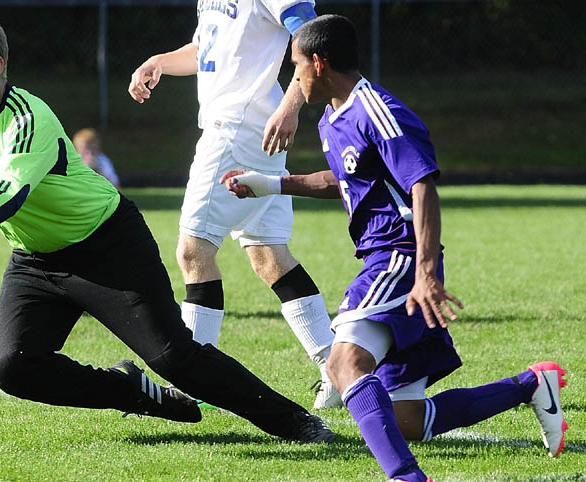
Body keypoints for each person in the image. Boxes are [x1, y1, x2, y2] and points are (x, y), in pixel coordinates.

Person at [0, 12, 334, 443]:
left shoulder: (29, 118)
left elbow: (5, 195)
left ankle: (298, 423)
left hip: (106, 244)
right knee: (12, 367)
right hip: (37, 260)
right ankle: (132, 393)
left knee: (177, 358)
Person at [221, 14, 568, 480]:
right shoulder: (331, 118)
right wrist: (268, 184)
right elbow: (344, 180)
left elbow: (421, 183)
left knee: (344, 364)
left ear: (319, 64)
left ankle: (407, 478)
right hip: (386, 256)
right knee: (406, 419)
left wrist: (424, 273)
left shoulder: (376, 110)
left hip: (399, 255)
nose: (293, 76)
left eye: (296, 64)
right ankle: (530, 385)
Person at [128, 0, 341, 409]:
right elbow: (206, 49)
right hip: (244, 128)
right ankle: (336, 368)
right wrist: (159, 62)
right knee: (268, 255)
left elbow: (315, 38)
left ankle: (194, 379)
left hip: (237, 129)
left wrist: (290, 105)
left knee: (193, 252)